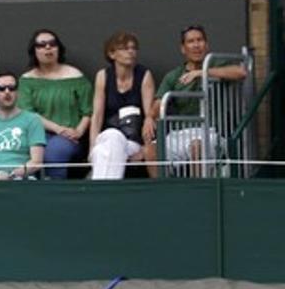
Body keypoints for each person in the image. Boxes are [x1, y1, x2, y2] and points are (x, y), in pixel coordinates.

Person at [152, 25, 247, 174]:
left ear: (206, 44)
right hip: (180, 134)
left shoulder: (215, 64)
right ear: (183, 48)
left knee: (197, 146)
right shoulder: (173, 75)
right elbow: (158, 104)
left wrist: (201, 73)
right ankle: (160, 192)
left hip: (211, 133)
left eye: (200, 40)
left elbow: (240, 72)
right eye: (191, 41)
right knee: (150, 150)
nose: (196, 45)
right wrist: (149, 118)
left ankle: (198, 191)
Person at [19, 29, 92, 179]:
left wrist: (78, 131)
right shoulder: (26, 80)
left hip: (70, 138)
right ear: (34, 50)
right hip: (36, 135)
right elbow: (28, 113)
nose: (48, 48)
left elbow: (88, 110)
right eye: (42, 44)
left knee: (54, 152)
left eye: (52, 44)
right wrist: (58, 129)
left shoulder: (76, 76)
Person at [88, 31, 156, 180]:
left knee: (102, 152)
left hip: (132, 143)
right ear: (112, 54)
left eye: (133, 48)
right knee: (110, 139)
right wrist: (91, 147)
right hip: (107, 137)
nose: (131, 52)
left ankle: (100, 191)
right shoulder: (103, 76)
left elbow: (149, 117)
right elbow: (97, 115)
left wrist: (146, 149)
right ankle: (110, 191)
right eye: (125, 48)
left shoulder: (144, 75)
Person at [0, 72, 45, 180]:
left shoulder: (33, 120)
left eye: (12, 88)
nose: (7, 92)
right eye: (1, 88)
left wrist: (12, 175)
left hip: (24, 179)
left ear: (18, 92)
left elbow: (36, 162)